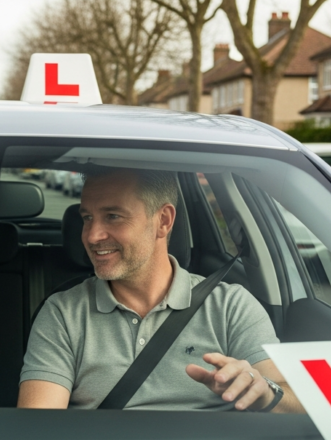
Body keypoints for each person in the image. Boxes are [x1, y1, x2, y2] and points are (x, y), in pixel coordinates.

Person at [18, 169, 303, 413]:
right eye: (87, 218)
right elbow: (40, 429)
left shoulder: (231, 306)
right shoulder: (63, 313)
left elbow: (300, 402)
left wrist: (264, 392)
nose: (92, 236)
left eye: (113, 216)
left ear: (164, 221)